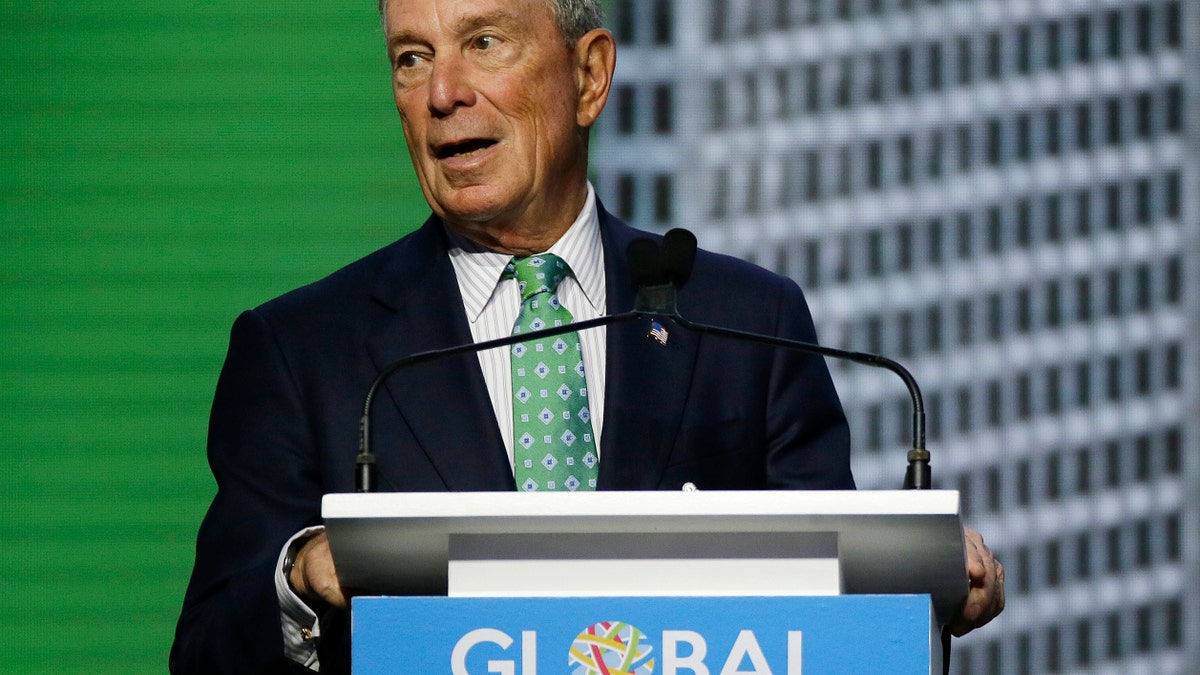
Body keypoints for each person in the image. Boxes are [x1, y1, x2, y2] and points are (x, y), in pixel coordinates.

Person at [170, 0, 1004, 672]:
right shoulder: (302, 351)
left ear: (589, 75)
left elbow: (836, 599)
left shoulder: (751, 324)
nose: (441, 95)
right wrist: (299, 581)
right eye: (411, 57)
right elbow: (207, 648)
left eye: (483, 42)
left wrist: (923, 583)